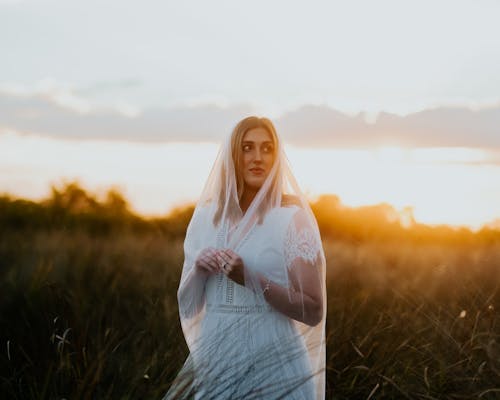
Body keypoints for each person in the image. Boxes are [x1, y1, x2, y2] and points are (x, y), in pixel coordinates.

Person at [164, 116, 326, 399]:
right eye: (247, 148)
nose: (257, 158)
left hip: (274, 361)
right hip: (216, 359)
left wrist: (250, 278)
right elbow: (188, 309)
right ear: (233, 156)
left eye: (267, 148)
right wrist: (199, 272)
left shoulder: (292, 220)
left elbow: (313, 311)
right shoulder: (205, 219)